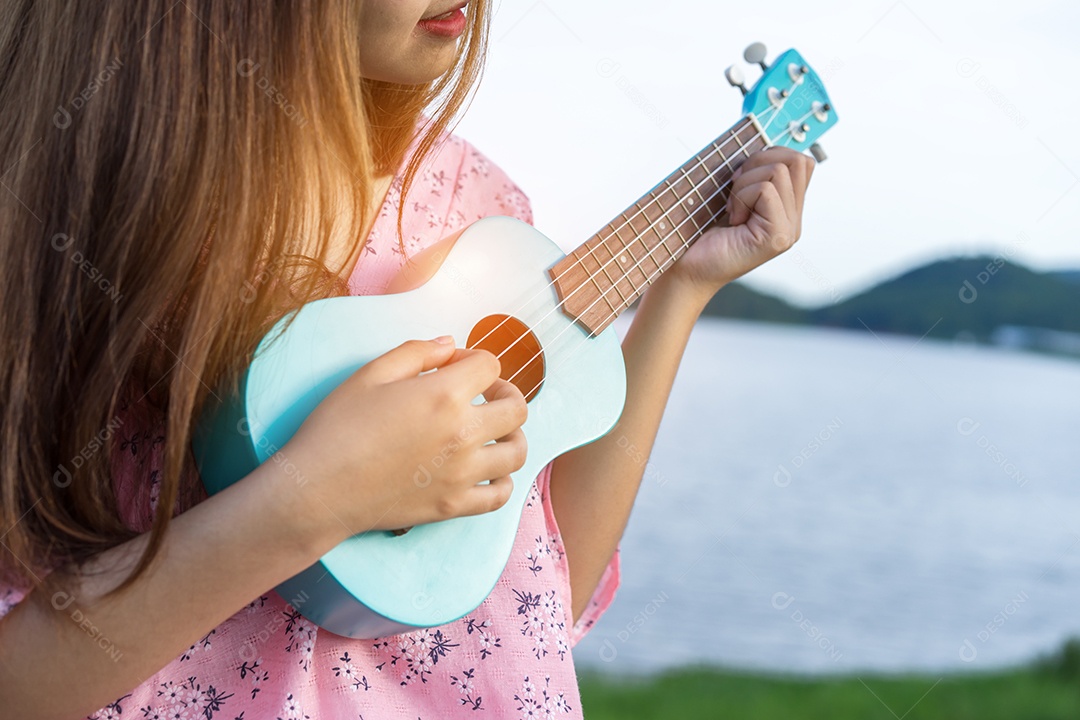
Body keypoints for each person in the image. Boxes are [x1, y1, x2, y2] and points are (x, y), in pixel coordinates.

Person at [0, 1, 814, 717]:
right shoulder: (86, 219)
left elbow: (534, 595)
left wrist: (682, 291)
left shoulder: (475, 204)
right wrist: (315, 499)